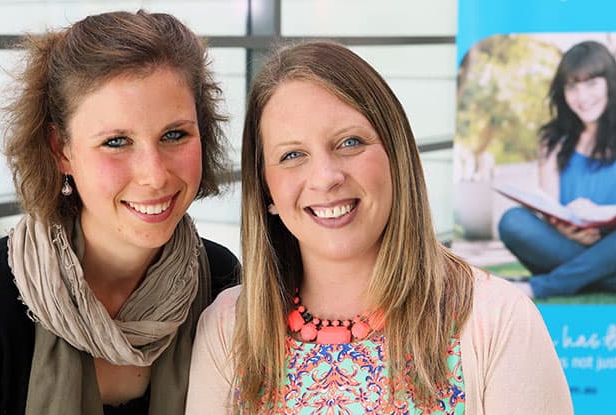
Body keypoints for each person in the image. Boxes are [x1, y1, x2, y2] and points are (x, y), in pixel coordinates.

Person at [185, 41, 572, 414]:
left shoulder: (496, 318)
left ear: (396, 155)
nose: (325, 176)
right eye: (292, 155)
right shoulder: (228, 328)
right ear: (266, 187)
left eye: (350, 142)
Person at [0, 10, 239, 415]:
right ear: (60, 150)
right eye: (117, 141)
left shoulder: (223, 285)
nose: (154, 175)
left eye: (175, 134)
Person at [499, 40, 616, 299]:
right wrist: (566, 228)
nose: (582, 97)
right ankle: (602, 277)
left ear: (610, 82)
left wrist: (603, 213)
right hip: (569, 244)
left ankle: (546, 285)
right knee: (513, 221)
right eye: (572, 86)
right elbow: (551, 207)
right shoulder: (553, 141)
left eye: (592, 83)